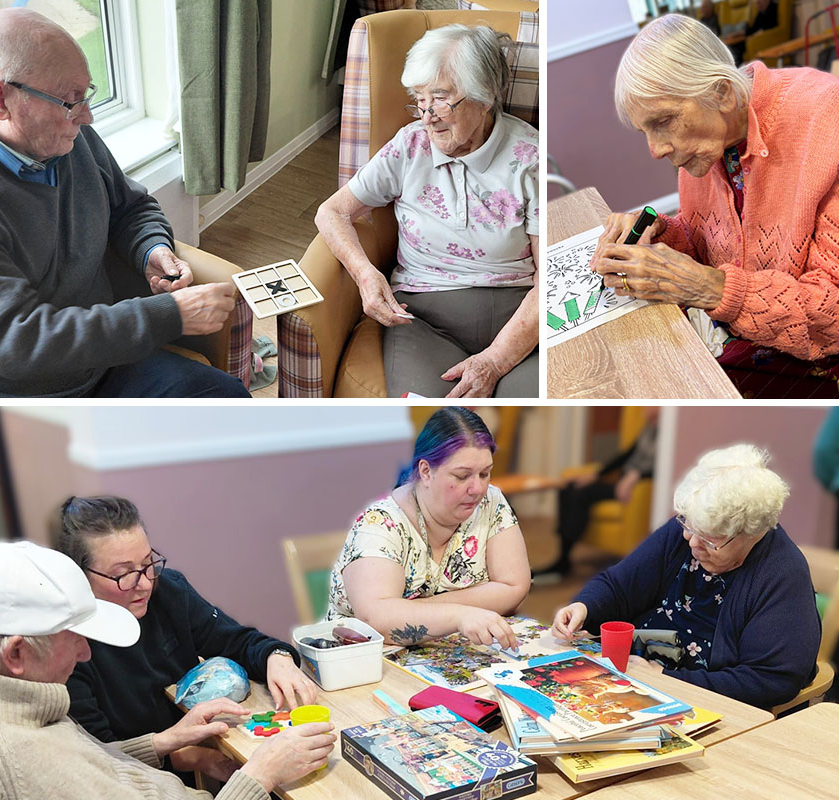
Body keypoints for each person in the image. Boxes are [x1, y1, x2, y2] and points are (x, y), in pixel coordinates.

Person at [0, 8, 247, 398]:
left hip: (102, 361)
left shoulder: (62, 133)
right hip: (11, 392)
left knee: (229, 403)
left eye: (86, 95)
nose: (87, 117)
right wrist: (172, 315)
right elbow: (16, 342)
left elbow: (131, 206)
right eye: (70, 101)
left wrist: (152, 249)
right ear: (0, 99)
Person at [0, 541, 336, 799]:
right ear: (17, 653)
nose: (84, 653)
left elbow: (88, 760)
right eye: (75, 637)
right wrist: (261, 774)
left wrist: (166, 741)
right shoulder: (27, 764)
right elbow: (55, 772)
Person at [593, 14, 839, 398]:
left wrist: (710, 289)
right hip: (747, 335)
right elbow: (710, 245)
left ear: (723, 92)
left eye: (664, 122)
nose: (656, 150)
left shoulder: (829, 122)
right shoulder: (710, 143)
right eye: (646, 131)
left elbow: (832, 316)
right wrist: (663, 234)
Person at [314, 25, 538, 398]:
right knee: (432, 425)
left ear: (484, 98)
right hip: (423, 318)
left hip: (518, 317)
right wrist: (366, 275)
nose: (427, 117)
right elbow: (332, 212)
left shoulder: (532, 159)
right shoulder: (409, 146)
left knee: (527, 424)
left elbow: (552, 281)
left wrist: (496, 361)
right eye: (420, 100)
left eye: (440, 99)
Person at [56, 496, 317, 784]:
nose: (144, 583)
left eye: (148, 564)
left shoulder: (168, 593)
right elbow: (102, 762)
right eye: (123, 574)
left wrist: (276, 657)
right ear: (79, 577)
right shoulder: (68, 647)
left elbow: (237, 641)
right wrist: (189, 757)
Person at [553, 445, 820, 711]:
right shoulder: (691, 529)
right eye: (688, 526)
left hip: (700, 701)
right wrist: (585, 606)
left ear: (751, 533)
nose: (691, 542)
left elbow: (770, 679)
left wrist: (667, 681)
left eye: (708, 539)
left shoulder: (782, 573)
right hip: (635, 678)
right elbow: (619, 586)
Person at [326, 407, 530, 650]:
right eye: (462, 476)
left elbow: (514, 586)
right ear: (425, 471)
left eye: (485, 473)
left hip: (457, 654)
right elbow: (375, 620)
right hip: (365, 664)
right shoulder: (380, 523)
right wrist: (457, 616)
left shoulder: (491, 501)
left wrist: (416, 610)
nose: (477, 488)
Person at [539, 408, 659, 579]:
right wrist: (596, 474)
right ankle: (563, 555)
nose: (646, 410)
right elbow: (626, 455)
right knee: (568, 487)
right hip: (621, 481)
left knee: (582, 495)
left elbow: (662, 465)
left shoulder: (669, 432)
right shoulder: (648, 428)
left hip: (636, 486)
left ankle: (563, 560)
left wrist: (637, 476)